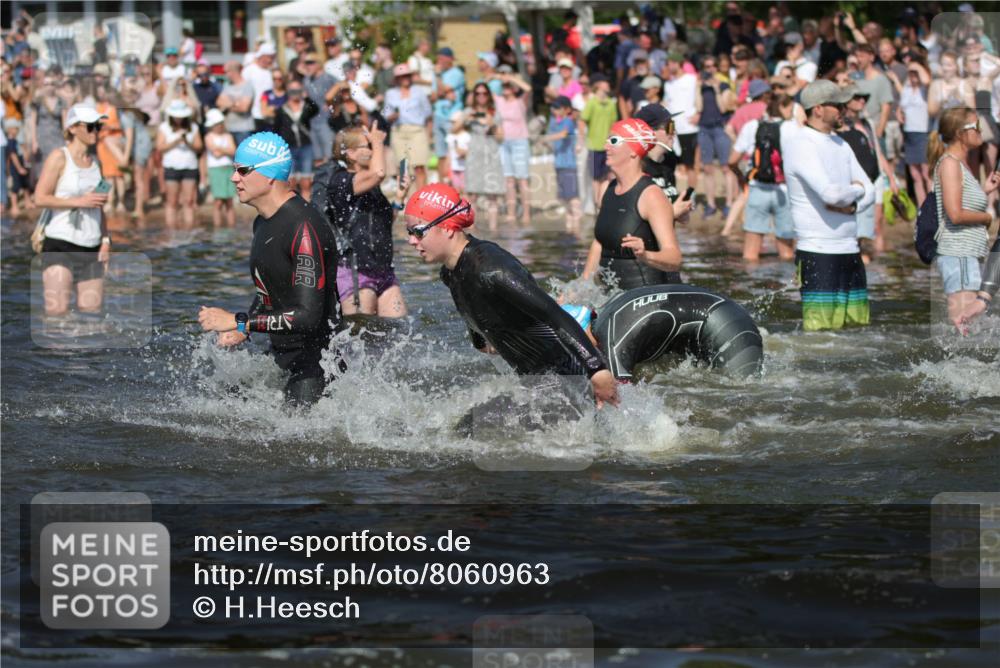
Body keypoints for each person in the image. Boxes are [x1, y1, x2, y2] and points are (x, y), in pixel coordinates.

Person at [403, 183, 619, 410]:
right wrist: (486, 341)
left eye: (418, 231)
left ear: (447, 228)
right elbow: (475, 317)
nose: (411, 241)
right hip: (538, 385)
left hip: (570, 380)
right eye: (409, 233)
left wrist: (597, 370)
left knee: (469, 431)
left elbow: (555, 315)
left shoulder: (492, 269)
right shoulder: (450, 272)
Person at [198, 132, 341, 407]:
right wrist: (245, 329)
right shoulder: (262, 223)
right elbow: (269, 290)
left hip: (315, 367)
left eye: (242, 170)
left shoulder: (304, 229)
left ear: (270, 176)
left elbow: (308, 316)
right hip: (280, 355)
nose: (233, 178)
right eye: (233, 170)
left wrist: (241, 321)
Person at [782, 80, 875, 331]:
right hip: (818, 252)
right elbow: (831, 195)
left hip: (850, 249)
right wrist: (857, 190)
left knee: (857, 331)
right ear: (818, 109)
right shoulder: (801, 144)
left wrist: (853, 206)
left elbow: (872, 190)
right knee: (820, 335)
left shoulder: (841, 144)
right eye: (838, 105)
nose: (844, 110)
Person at [561, 284, 764, 381]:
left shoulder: (612, 336)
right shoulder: (608, 313)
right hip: (716, 313)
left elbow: (617, 394)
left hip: (726, 322)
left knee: (744, 396)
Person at [582, 118, 682, 290]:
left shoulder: (651, 195)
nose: (606, 146)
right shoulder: (607, 188)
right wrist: (581, 289)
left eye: (613, 141)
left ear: (634, 151)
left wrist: (646, 255)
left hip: (645, 296)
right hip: (610, 297)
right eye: (607, 141)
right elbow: (599, 243)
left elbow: (674, 258)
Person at [32, 104, 111, 316]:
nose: (96, 131)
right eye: (91, 126)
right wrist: (79, 201)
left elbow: (99, 207)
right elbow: (39, 198)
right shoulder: (59, 157)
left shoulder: (96, 163)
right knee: (57, 312)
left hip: (92, 244)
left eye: (98, 127)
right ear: (73, 128)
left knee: (92, 313)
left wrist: (105, 241)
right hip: (60, 243)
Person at [326, 124, 409, 318]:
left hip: (383, 269)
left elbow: (383, 222)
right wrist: (379, 141)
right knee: (360, 330)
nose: (373, 149)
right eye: (368, 145)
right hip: (356, 270)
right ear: (351, 153)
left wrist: (399, 197)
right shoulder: (341, 181)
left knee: (399, 327)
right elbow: (379, 173)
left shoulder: (371, 185)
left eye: (373, 145)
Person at [929, 106, 999, 329]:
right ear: (961, 134)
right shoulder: (950, 164)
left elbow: (962, 200)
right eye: (976, 126)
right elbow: (955, 214)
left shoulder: (961, 164)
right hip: (958, 253)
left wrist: (984, 190)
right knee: (963, 324)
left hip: (967, 253)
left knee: (969, 323)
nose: (981, 131)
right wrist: (986, 218)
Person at [728, 92, 796, 261]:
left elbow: (732, 161)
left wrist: (741, 177)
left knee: (750, 254)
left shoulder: (752, 126)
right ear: (783, 107)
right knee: (787, 254)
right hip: (784, 191)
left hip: (757, 188)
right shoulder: (792, 128)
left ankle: (752, 285)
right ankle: (786, 285)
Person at [837, 83, 898, 261]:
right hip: (855, 183)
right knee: (856, 227)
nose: (862, 100)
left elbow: (878, 152)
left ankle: (875, 260)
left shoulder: (868, 123)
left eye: (864, 97)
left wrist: (891, 178)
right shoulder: (841, 127)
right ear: (846, 102)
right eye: (857, 97)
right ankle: (862, 260)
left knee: (876, 224)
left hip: (875, 178)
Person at [463, 82, 505, 229]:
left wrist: (492, 123)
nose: (481, 96)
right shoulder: (469, 111)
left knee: (492, 195)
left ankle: (493, 230)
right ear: (474, 96)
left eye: (484, 93)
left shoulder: (494, 113)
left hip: (491, 155)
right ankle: (471, 230)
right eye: (478, 93)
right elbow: (453, 129)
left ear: (489, 95)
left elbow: (501, 137)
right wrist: (466, 119)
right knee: (472, 194)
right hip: (474, 155)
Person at [383, 64, 432, 189]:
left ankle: (422, 199)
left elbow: (428, 112)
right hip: (399, 131)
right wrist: (394, 115)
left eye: (407, 75)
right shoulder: (390, 93)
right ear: (397, 78)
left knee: (419, 166)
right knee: (402, 167)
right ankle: (403, 200)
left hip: (417, 131)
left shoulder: (419, 91)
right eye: (402, 76)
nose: (405, 78)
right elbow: (386, 114)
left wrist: (429, 133)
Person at [890, 61, 932, 206]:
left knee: (927, 173)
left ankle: (933, 205)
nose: (913, 76)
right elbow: (901, 107)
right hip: (909, 134)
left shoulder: (925, 90)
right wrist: (899, 114)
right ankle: (922, 206)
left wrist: (917, 65)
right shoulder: (907, 89)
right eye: (911, 73)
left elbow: (927, 80)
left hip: (923, 133)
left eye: (916, 73)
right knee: (915, 175)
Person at [156, 100, 203, 229]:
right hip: (171, 167)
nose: (179, 119)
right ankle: (171, 229)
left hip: (190, 166)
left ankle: (188, 229)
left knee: (188, 201)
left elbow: (199, 147)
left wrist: (187, 142)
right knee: (172, 201)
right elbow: (159, 147)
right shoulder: (164, 127)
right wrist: (176, 141)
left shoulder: (193, 127)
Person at [494, 70, 533, 225]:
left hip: (520, 142)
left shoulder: (520, 101)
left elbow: (528, 88)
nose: (506, 88)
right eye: (504, 86)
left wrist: (511, 78)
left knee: (522, 180)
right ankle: (511, 212)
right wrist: (500, 77)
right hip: (504, 143)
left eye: (509, 86)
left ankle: (526, 212)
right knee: (509, 179)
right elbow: (486, 83)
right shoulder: (499, 100)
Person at [273, 78, 319, 199]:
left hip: (305, 146)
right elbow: (276, 128)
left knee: (306, 182)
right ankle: (293, 210)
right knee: (290, 182)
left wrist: (307, 97)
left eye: (297, 90)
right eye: (292, 90)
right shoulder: (282, 110)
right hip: (288, 148)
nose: (295, 93)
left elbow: (316, 109)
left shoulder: (306, 107)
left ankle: (307, 209)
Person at [580, 73, 618, 209]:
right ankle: (597, 204)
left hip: (607, 146)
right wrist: (580, 141)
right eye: (605, 82)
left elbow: (614, 124)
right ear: (598, 85)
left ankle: (606, 201)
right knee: (596, 177)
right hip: (594, 146)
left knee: (609, 174)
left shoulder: (611, 103)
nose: (608, 85)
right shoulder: (592, 102)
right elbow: (582, 120)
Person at [545, 96, 582, 233]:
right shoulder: (555, 122)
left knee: (573, 198)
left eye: (557, 107)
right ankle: (569, 226)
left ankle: (576, 226)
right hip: (559, 165)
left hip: (569, 165)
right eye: (553, 107)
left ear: (566, 109)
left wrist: (545, 138)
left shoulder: (569, 121)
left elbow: (564, 134)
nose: (554, 110)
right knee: (565, 199)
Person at [203, 108, 237, 227]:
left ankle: (231, 226)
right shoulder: (209, 136)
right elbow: (215, 153)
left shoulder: (228, 135)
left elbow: (233, 151)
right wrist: (225, 150)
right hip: (216, 170)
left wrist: (221, 150)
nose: (218, 126)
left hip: (228, 169)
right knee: (218, 201)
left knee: (229, 201)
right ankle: (217, 227)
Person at [217, 60, 255, 147]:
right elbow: (219, 102)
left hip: (243, 129)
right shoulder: (227, 86)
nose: (225, 75)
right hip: (228, 128)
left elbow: (244, 108)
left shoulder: (247, 85)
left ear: (233, 71)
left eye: (226, 72)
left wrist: (228, 103)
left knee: (243, 159)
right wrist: (235, 103)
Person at [242, 43, 276, 132]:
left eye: (272, 57)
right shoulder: (249, 70)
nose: (270, 60)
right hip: (253, 115)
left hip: (269, 115)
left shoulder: (273, 71)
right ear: (262, 56)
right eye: (269, 57)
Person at [445, 110, 470, 194]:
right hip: (454, 168)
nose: (452, 125)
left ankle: (467, 205)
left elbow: (469, 152)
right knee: (456, 190)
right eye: (451, 122)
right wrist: (447, 168)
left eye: (454, 122)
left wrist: (463, 153)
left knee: (465, 190)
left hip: (465, 168)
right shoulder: (450, 136)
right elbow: (449, 153)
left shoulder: (467, 136)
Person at [259, 67, 288, 134]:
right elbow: (264, 113)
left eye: (279, 79)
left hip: (286, 131)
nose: (277, 81)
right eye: (274, 79)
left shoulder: (288, 94)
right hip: (271, 130)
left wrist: (273, 109)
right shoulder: (266, 94)